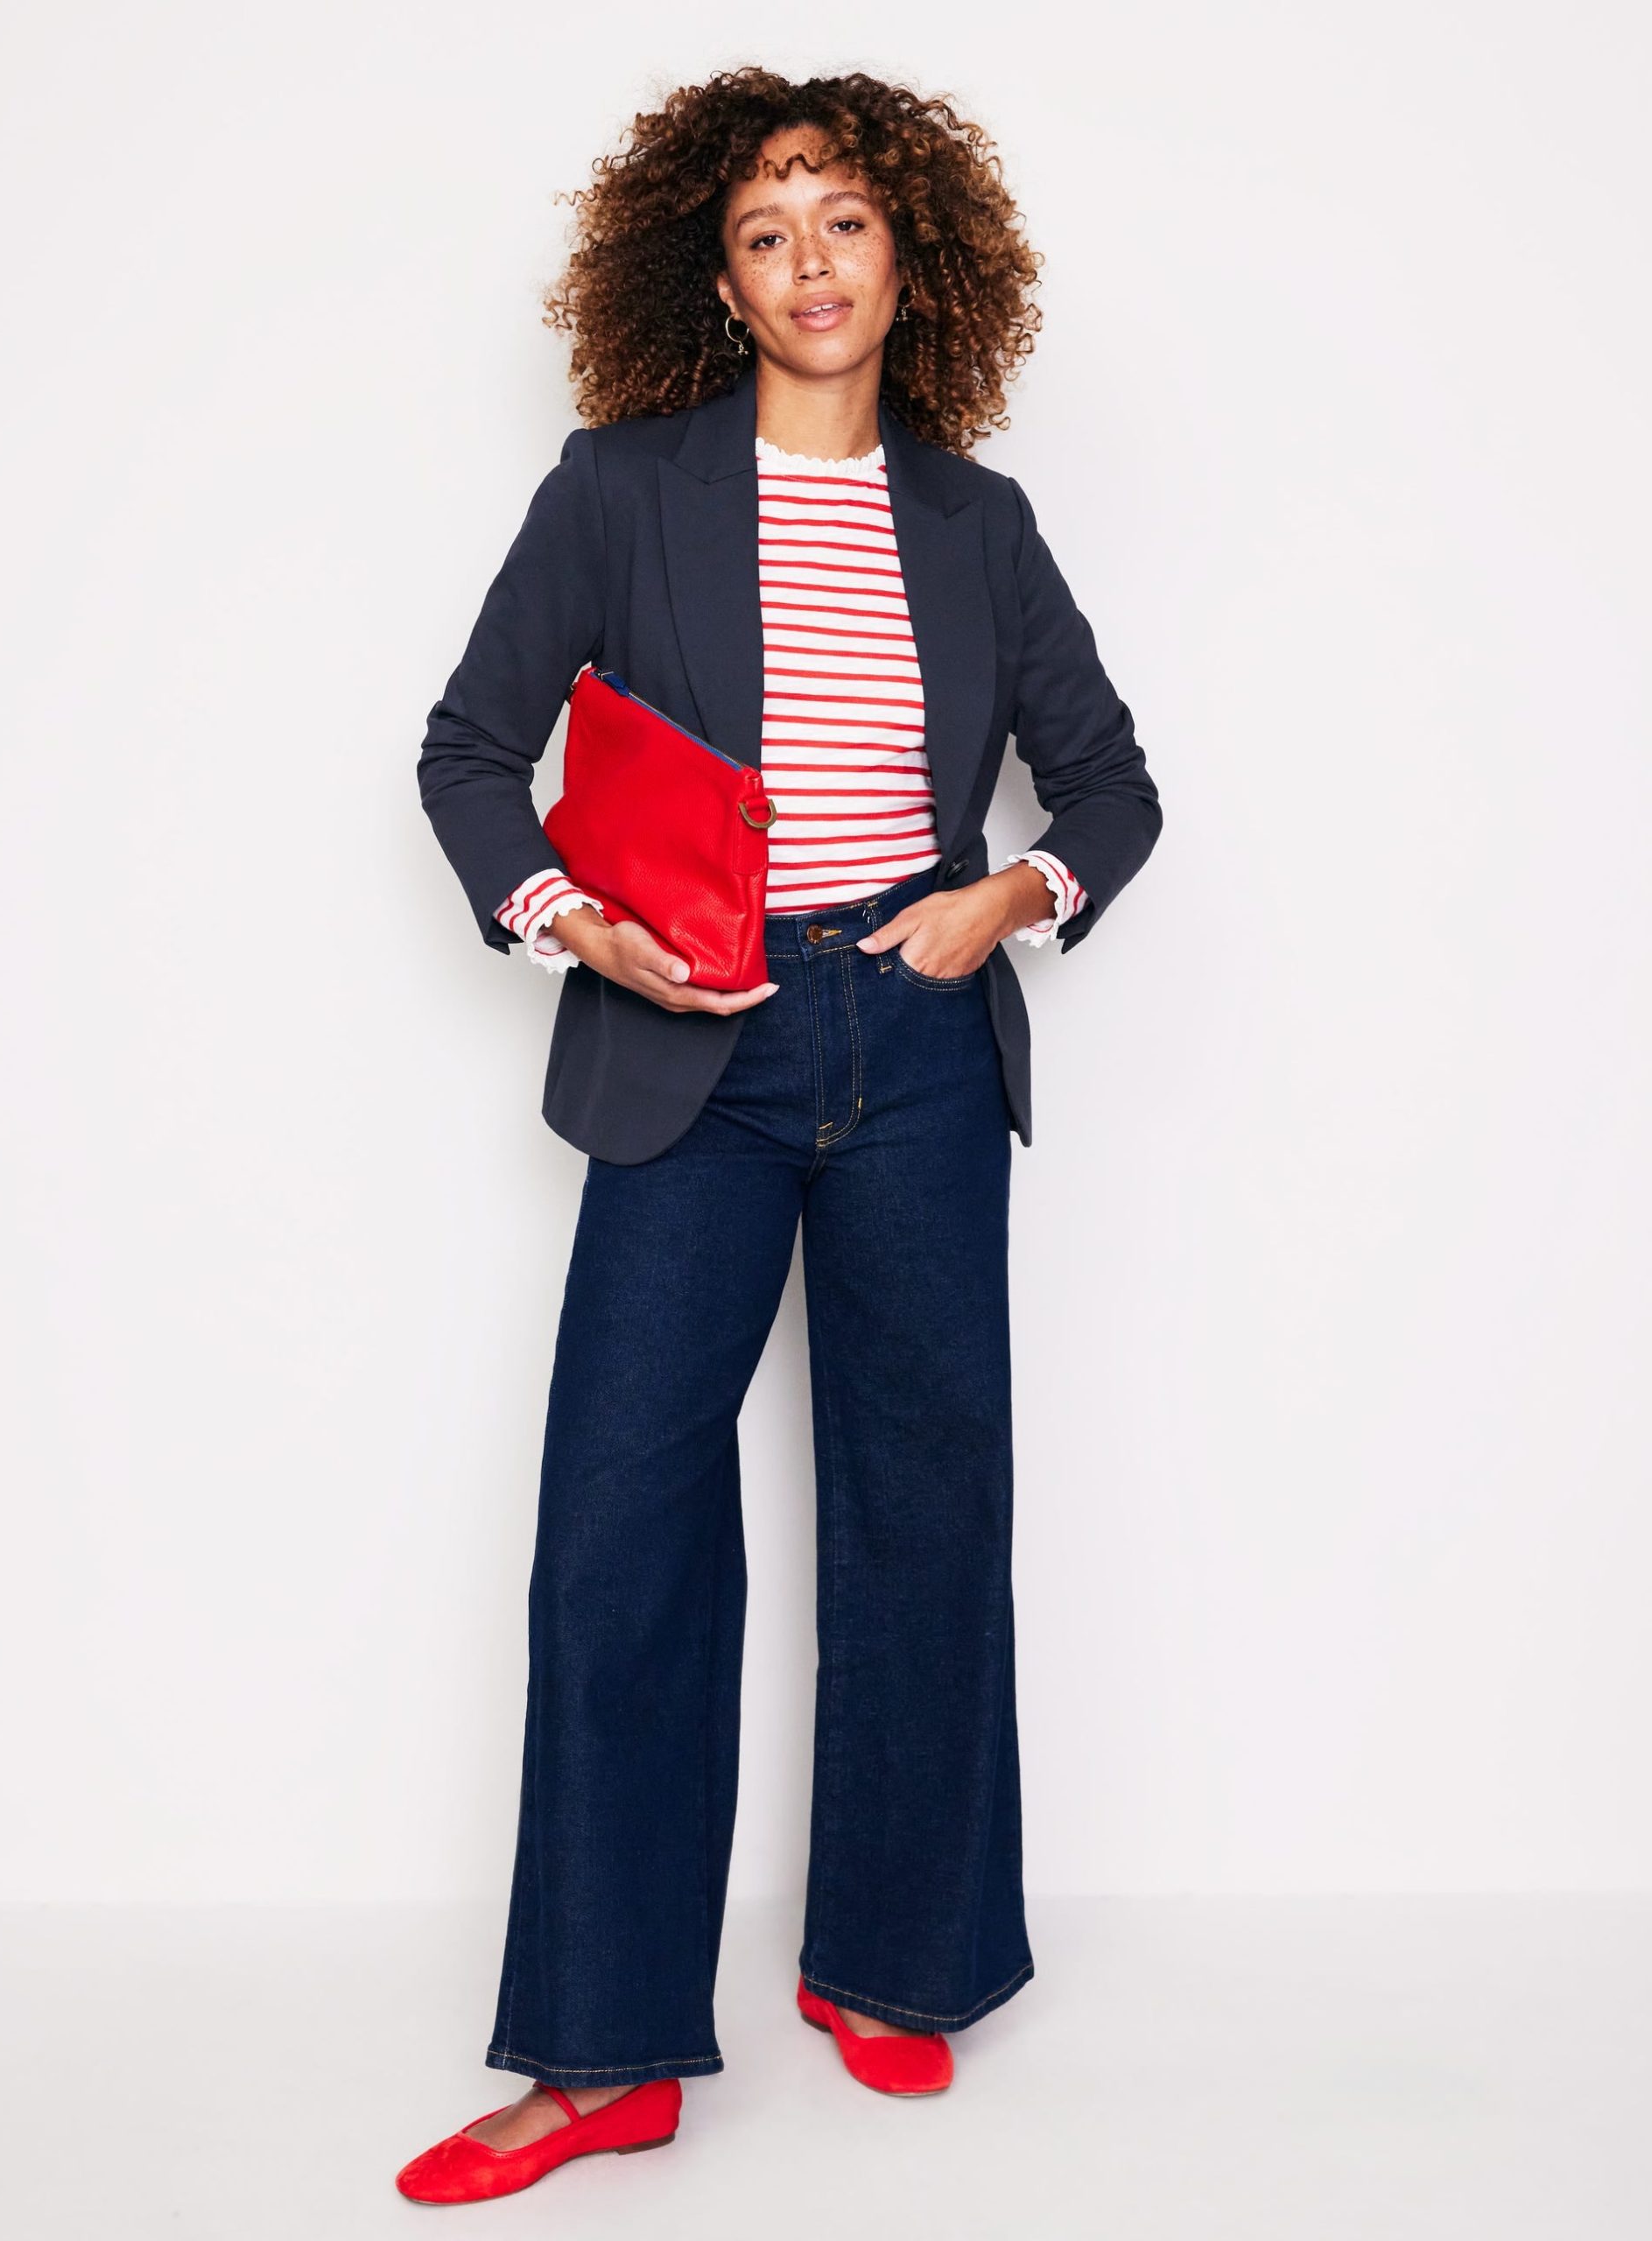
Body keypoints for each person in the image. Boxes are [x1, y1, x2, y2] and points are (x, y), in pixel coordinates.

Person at [397, 67, 1163, 2206]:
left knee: (928, 1507)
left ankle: (897, 1959)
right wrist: (578, 927)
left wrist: (1002, 900)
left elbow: (1112, 788)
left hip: (913, 1040)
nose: (809, 260)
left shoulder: (980, 524)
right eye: (765, 232)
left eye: (842, 221)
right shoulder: (620, 491)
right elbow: (468, 752)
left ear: (912, 258)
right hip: (694, 1050)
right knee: (618, 1524)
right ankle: (602, 2050)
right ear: (717, 284)